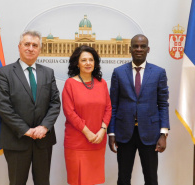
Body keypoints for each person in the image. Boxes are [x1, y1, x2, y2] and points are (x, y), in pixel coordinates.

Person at [0, 30, 61, 185]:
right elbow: (4, 107)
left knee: (43, 182)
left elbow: (55, 103)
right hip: (16, 139)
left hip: (43, 140)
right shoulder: (4, 73)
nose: (30, 48)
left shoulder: (48, 73)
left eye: (34, 45)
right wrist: (26, 130)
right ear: (19, 47)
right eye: (27, 44)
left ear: (39, 49)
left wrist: (44, 127)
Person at [108, 34, 169, 185]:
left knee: (151, 178)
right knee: (123, 179)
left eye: (142, 46)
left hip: (150, 133)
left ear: (148, 49)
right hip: (124, 133)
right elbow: (113, 105)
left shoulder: (158, 73)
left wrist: (163, 134)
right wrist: (112, 132)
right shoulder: (118, 72)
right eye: (135, 46)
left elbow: (163, 104)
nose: (139, 49)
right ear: (130, 49)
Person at [62, 45, 112, 185]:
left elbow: (108, 108)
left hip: (97, 141)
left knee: (93, 181)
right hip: (77, 143)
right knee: (78, 181)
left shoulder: (102, 84)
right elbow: (69, 112)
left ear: (95, 62)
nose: (88, 63)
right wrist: (87, 132)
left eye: (91, 59)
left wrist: (103, 130)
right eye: (84, 60)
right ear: (77, 63)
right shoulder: (70, 84)